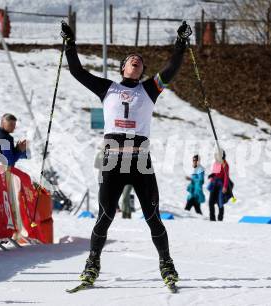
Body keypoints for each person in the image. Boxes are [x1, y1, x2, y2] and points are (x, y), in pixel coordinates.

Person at [61, 20, 192, 287]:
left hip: (140, 161)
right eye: (132, 60)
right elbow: (77, 71)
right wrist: (69, 44)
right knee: (105, 215)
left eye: (140, 61)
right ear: (123, 67)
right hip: (112, 159)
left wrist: (181, 44)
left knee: (152, 216)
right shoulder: (107, 88)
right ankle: (92, 264)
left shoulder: (149, 89)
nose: (137, 62)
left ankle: (166, 264)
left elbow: (171, 69)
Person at [207, 149, 231, 221]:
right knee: (211, 202)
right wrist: (211, 177)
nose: (216, 156)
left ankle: (220, 219)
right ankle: (212, 219)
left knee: (220, 202)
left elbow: (226, 176)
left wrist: (225, 187)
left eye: (218, 155)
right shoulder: (216, 163)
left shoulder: (225, 164)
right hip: (214, 184)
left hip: (221, 185)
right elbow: (215, 173)